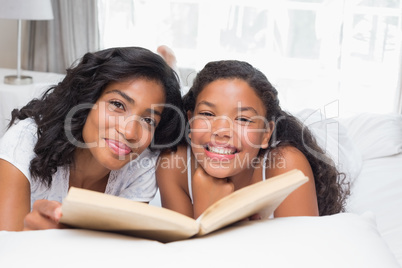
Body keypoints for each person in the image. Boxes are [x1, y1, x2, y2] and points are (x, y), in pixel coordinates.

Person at [0, 46, 184, 231]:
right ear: (86, 100)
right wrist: (30, 235)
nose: (130, 133)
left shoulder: (143, 164)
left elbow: (117, 248)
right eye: (117, 105)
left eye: (148, 120)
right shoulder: (23, 144)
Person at [156, 60, 350, 219]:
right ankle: (171, 63)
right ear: (190, 122)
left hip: (329, 139)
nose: (222, 130)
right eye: (207, 114)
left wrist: (215, 211)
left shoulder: (286, 164)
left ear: (266, 134)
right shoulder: (172, 165)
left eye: (242, 119)